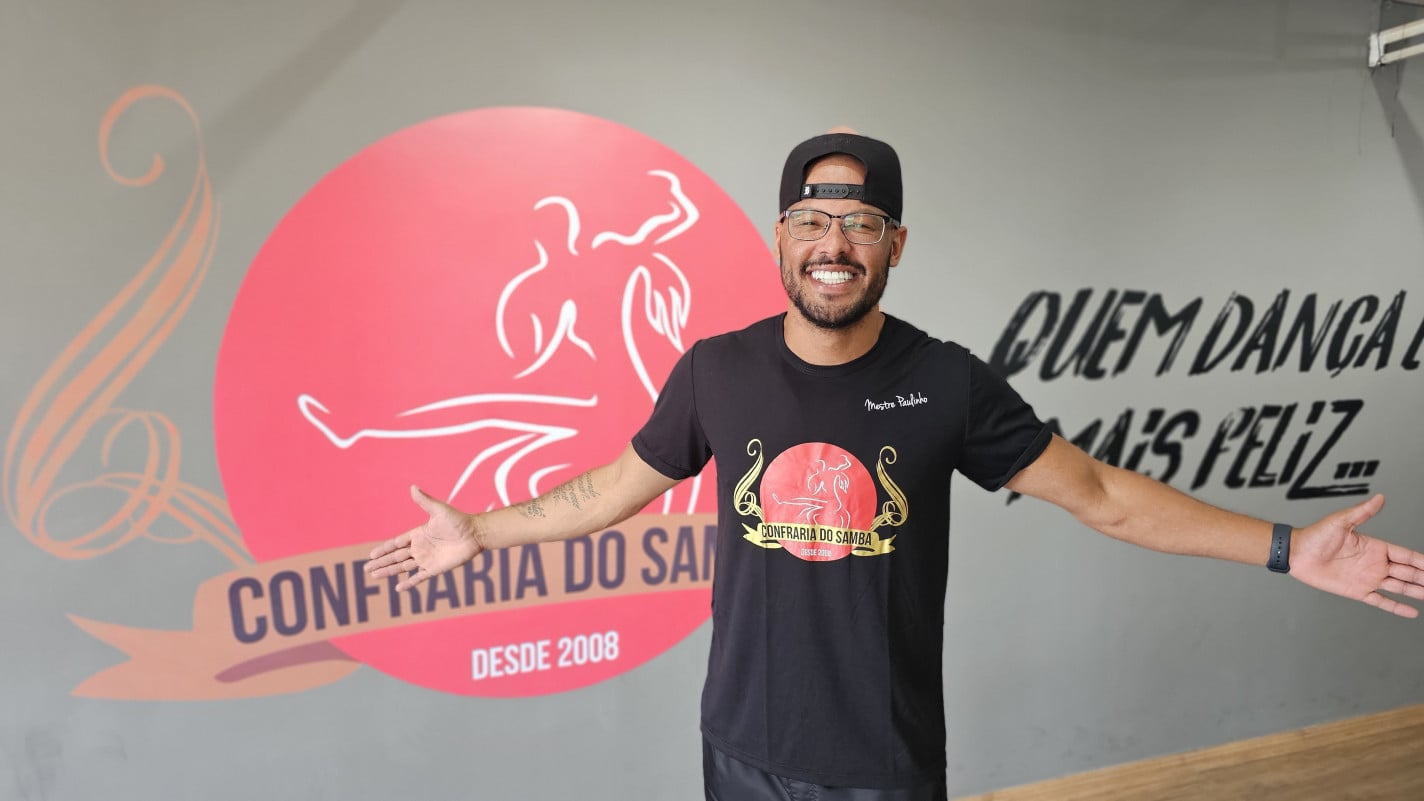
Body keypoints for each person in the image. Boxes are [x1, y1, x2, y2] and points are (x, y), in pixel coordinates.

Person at [365, 128, 1424, 800]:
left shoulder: (947, 382)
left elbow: (1101, 495)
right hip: (737, 745)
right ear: (781, 236)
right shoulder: (715, 371)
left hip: (879, 762)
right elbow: (611, 487)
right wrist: (478, 531)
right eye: (812, 220)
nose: (833, 243)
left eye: (860, 223)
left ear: (895, 244)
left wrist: (1288, 548)